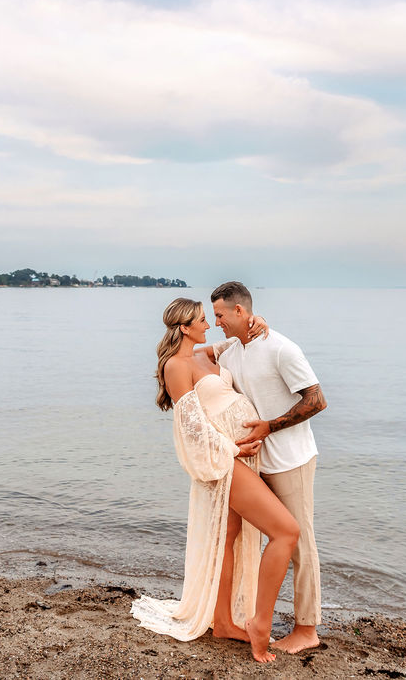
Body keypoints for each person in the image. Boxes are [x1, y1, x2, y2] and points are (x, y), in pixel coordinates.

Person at [131, 298, 299, 663]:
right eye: (202, 321)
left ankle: (222, 620)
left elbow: (237, 341)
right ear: (184, 328)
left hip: (239, 456)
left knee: (229, 539)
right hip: (225, 461)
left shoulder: (205, 355)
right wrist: (233, 451)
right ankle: (260, 625)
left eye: (211, 318)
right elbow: (191, 427)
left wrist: (258, 320)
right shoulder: (176, 366)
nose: (209, 325)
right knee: (286, 531)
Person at [207, 281, 327, 654]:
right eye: (213, 317)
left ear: (240, 311)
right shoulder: (230, 353)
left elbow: (317, 400)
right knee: (262, 541)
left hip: (291, 459)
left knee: (300, 542)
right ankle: (250, 614)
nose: (216, 323)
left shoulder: (281, 348)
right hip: (255, 463)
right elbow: (186, 353)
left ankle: (307, 629)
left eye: (221, 315)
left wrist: (270, 426)